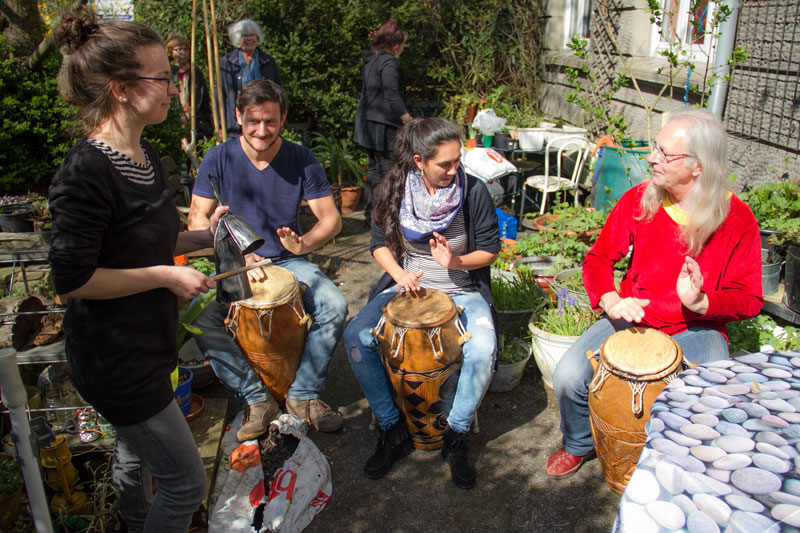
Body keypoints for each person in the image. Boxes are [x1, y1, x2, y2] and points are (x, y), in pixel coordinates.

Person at [49, 8, 228, 531]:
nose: (175, 88)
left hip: (148, 344)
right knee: (185, 484)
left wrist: (207, 240)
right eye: (163, 78)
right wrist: (166, 276)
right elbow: (73, 279)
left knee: (134, 456)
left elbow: (142, 241)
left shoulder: (143, 155)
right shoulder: (86, 172)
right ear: (123, 89)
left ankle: (132, 522)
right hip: (114, 359)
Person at [545, 108, 763, 479]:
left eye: (665, 153)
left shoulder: (737, 219)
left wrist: (702, 302)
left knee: (710, 398)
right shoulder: (640, 199)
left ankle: (680, 466)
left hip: (698, 326)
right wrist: (612, 299)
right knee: (568, 376)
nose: (651, 158)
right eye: (655, 148)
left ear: (697, 166)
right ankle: (578, 443)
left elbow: (750, 298)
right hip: (634, 317)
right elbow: (598, 259)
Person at [343, 118, 500, 489]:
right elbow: (378, 243)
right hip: (408, 288)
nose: (453, 169)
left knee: (484, 347)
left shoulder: (473, 191)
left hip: (461, 289)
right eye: (444, 164)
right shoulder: (394, 192)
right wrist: (398, 274)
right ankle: (391, 428)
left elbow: (490, 250)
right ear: (418, 160)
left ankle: (456, 435)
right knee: (356, 337)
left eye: (457, 161)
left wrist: (456, 261)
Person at [188, 79, 348, 441]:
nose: (262, 130)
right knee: (199, 317)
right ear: (238, 117)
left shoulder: (301, 159)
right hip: (235, 263)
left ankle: (304, 394)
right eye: (253, 121)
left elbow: (331, 219)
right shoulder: (218, 158)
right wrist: (231, 247)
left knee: (334, 304)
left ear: (284, 118)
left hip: (288, 262)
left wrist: (302, 244)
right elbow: (197, 219)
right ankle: (255, 397)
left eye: (271, 122)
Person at [354, 21, 412, 227]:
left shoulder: (372, 60)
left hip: (368, 124)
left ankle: (371, 216)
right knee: (388, 171)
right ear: (397, 45)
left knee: (374, 171)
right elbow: (391, 93)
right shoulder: (389, 62)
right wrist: (407, 119)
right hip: (383, 125)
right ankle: (383, 218)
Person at [220, 19, 281, 137]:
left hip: (263, 120)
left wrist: (280, 121)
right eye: (245, 35)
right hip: (235, 124)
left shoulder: (268, 62)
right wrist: (220, 125)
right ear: (237, 39)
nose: (249, 39)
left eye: (252, 35)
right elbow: (221, 96)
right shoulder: (226, 63)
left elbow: (278, 93)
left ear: (257, 38)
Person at [165, 33, 213, 139]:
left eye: (185, 49)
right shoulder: (168, 73)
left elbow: (204, 99)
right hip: (176, 120)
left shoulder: (195, 72)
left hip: (194, 121)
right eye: (178, 49)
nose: (182, 52)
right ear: (171, 52)